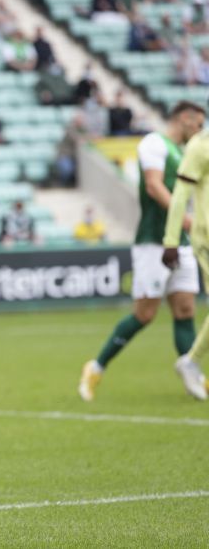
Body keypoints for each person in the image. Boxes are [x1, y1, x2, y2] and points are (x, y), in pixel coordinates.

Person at [79, 101, 206, 402]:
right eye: (198, 123)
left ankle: (193, 372)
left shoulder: (186, 151)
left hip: (181, 240)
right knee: (145, 313)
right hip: (155, 239)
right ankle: (96, 367)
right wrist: (187, 220)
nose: (200, 131)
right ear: (184, 118)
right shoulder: (154, 143)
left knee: (186, 308)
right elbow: (153, 185)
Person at [161, 103, 209, 401]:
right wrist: (170, 239)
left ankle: (191, 360)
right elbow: (180, 195)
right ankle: (191, 360)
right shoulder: (200, 146)